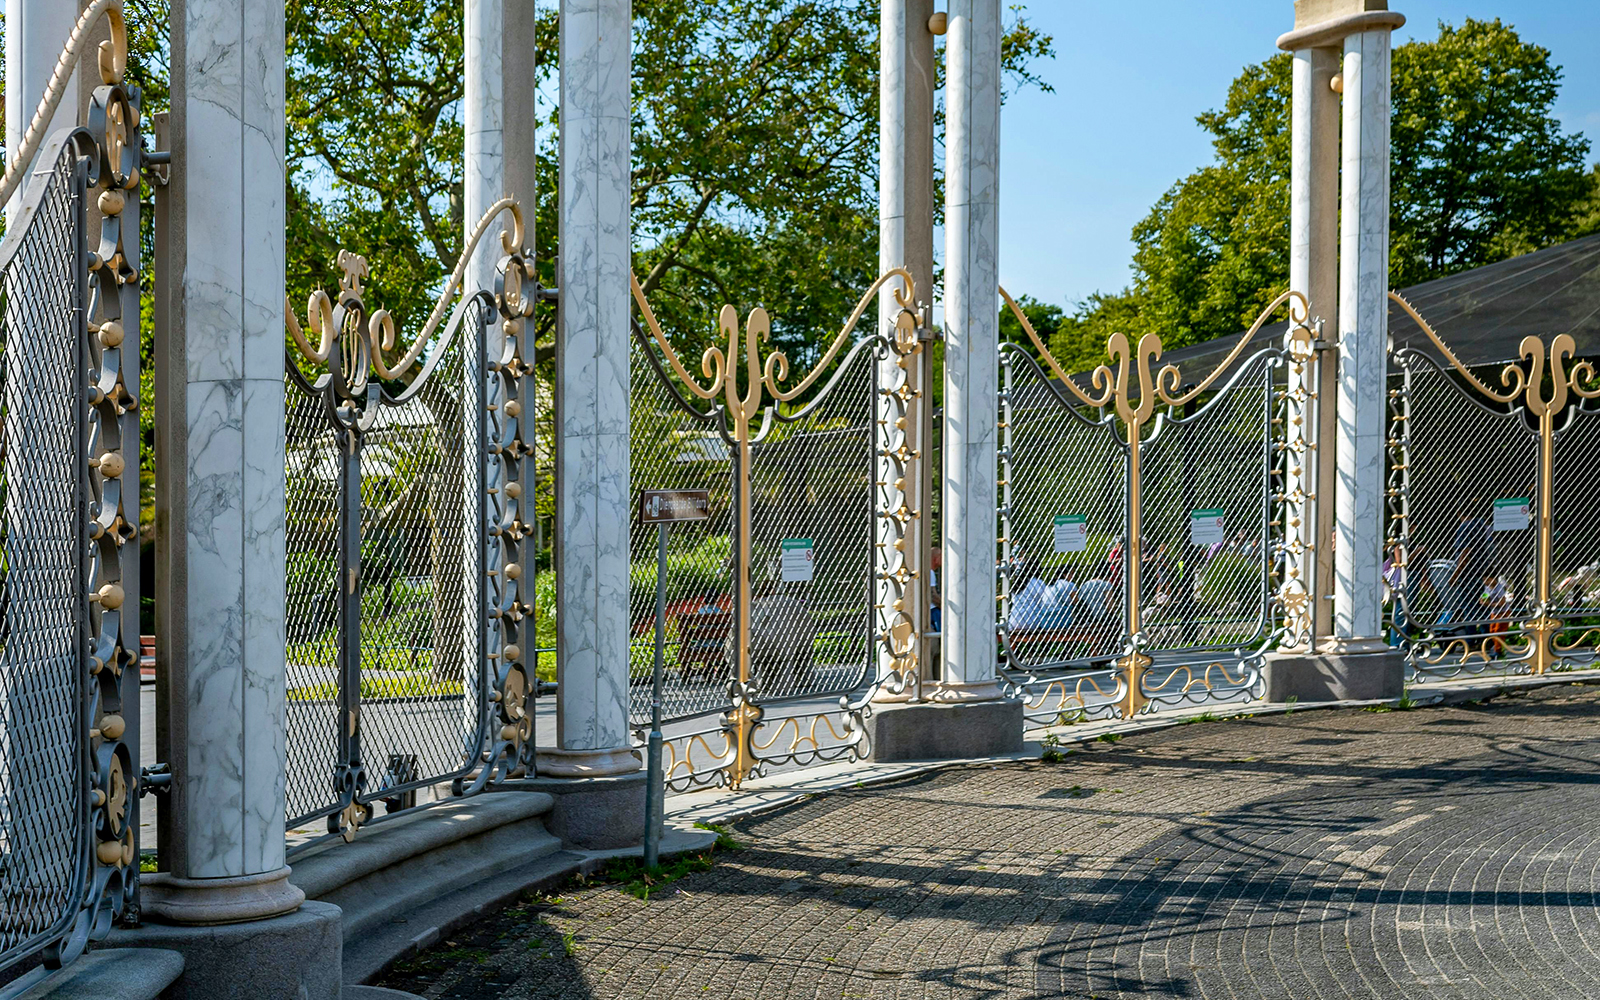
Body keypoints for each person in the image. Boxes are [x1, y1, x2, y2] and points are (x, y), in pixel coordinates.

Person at [1447, 502, 1495, 630]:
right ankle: (1486, 637)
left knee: (1468, 606)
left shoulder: (1464, 528)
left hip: (1467, 574)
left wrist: (1455, 574)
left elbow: (1465, 551)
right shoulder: (1481, 525)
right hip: (1481, 572)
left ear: (1459, 513)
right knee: (1483, 604)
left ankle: (1470, 639)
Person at [1009, 560, 1050, 630]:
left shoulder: (1017, 584)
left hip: (1013, 622)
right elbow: (1045, 601)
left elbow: (1013, 601)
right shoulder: (1038, 583)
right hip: (1031, 622)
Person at [1479, 572, 1511, 656]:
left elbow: (1502, 603)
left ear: (1493, 579)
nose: (1486, 582)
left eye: (1487, 579)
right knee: (1492, 630)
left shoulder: (1499, 588)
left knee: (1499, 630)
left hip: (1503, 611)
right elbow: (1485, 596)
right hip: (1494, 612)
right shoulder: (1487, 587)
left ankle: (1498, 650)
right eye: (1484, 580)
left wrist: (1488, 604)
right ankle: (1496, 647)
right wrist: (1483, 600)